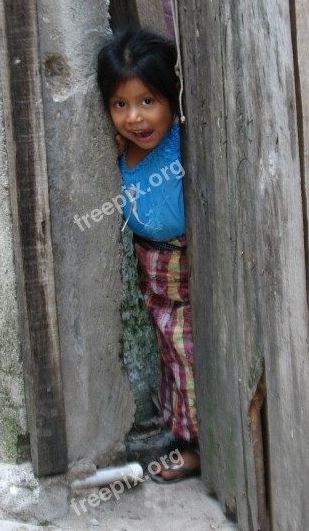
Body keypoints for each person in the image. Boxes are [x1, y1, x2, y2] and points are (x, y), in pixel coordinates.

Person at [97, 28, 200, 483]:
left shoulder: (181, 143)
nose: (135, 117)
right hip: (155, 283)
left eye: (148, 101)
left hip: (190, 278)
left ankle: (201, 449)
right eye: (121, 104)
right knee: (174, 363)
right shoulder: (123, 154)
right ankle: (185, 437)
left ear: (172, 100)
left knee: (193, 361)